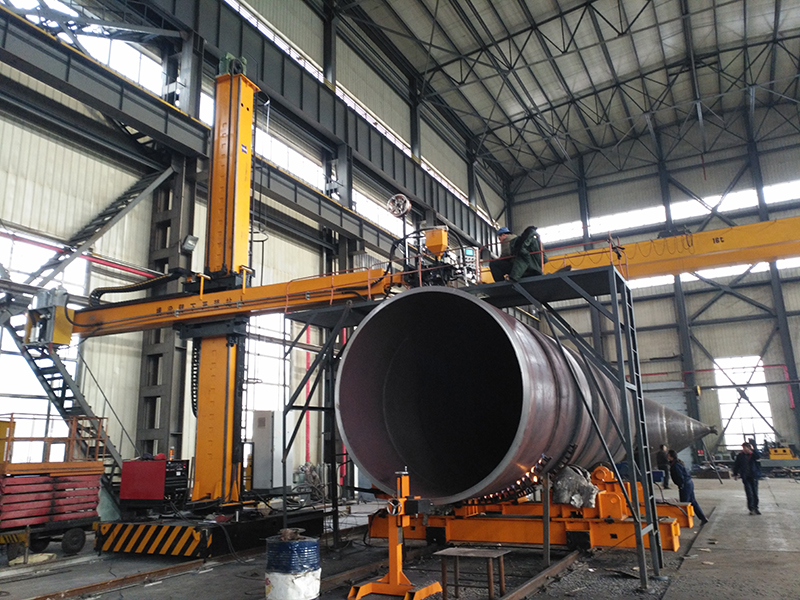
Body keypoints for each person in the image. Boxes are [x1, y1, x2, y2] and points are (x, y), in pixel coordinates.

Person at [668, 449, 708, 525]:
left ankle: (685, 521)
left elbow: (680, 477)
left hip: (685, 485)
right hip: (689, 483)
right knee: (692, 501)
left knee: (684, 504)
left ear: (671, 456)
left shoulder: (675, 466)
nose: (667, 456)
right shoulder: (678, 463)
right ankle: (703, 518)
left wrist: (681, 485)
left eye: (668, 455)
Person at [732, 442, 762, 515]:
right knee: (749, 493)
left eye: (746, 447)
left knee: (755, 493)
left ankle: (756, 508)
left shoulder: (753, 455)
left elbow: (758, 456)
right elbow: (736, 465)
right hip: (746, 477)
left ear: (749, 448)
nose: (744, 449)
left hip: (754, 476)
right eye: (743, 448)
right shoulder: (740, 456)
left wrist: (753, 449)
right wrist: (735, 474)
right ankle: (751, 509)